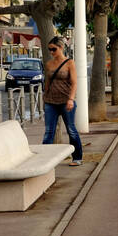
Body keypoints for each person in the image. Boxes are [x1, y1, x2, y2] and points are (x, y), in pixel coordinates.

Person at [42, 37, 83, 167]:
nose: (51, 52)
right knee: (49, 131)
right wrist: (44, 96)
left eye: (54, 49)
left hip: (66, 101)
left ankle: (77, 158)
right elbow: (47, 82)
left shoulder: (69, 63)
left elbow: (74, 83)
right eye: (49, 50)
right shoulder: (49, 64)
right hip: (50, 102)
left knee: (71, 130)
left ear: (61, 48)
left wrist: (71, 99)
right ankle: (43, 161)